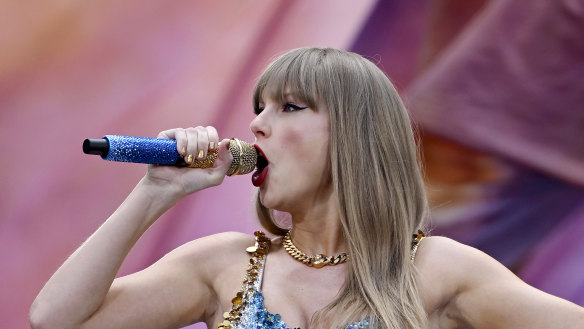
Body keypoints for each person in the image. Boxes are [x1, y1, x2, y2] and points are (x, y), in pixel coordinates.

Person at [30, 47, 584, 329]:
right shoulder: (220, 264)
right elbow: (55, 320)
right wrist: (155, 192)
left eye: (289, 107)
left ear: (354, 137)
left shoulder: (439, 270)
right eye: (259, 109)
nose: (257, 126)